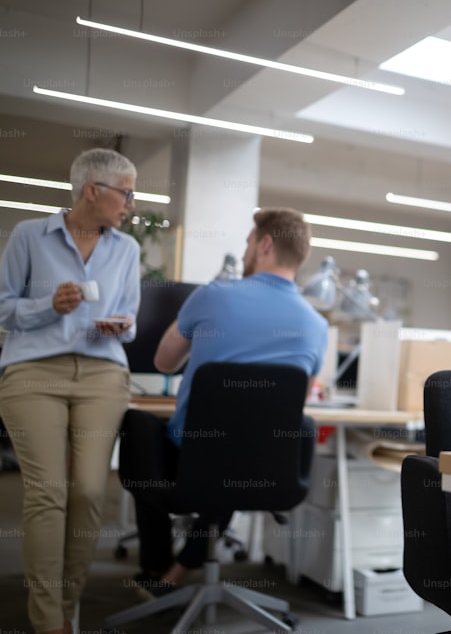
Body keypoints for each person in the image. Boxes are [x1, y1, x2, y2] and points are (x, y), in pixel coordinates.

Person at [120, 207, 327, 599]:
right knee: (241, 445)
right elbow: (293, 403)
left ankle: (157, 565)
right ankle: (177, 572)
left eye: (249, 243)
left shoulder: (214, 294)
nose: (247, 251)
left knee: (139, 425)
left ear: (264, 244)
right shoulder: (316, 325)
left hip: (192, 463)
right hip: (267, 470)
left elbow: (164, 362)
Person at [0, 148, 140, 634]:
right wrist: (47, 306)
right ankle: (49, 624)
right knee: (48, 492)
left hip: (103, 374)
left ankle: (67, 605)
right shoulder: (28, 236)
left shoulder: (126, 249)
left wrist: (120, 325)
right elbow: (3, 308)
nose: (131, 204)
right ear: (92, 191)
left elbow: (130, 321)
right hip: (33, 371)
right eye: (126, 192)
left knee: (87, 492)